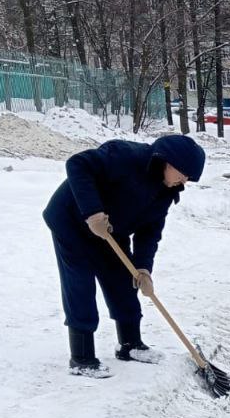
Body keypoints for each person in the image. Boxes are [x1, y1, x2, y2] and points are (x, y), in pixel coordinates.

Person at [43, 134, 205, 378]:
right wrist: (93, 213)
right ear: (169, 162)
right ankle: (82, 357)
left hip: (110, 231)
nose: (183, 182)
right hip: (72, 221)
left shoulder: (166, 193)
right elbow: (77, 164)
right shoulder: (126, 156)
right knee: (80, 283)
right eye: (183, 175)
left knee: (123, 279)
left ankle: (130, 345)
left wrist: (143, 269)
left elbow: (149, 233)